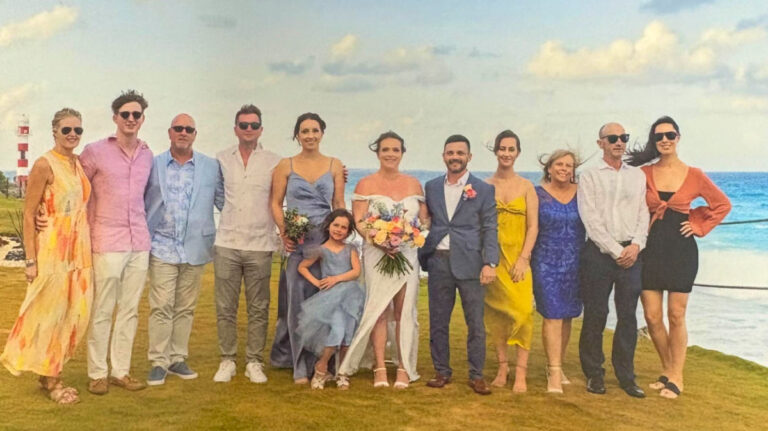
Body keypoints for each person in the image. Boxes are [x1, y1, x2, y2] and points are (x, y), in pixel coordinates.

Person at [627, 116, 731, 399]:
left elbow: (722, 205)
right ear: (654, 140)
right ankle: (668, 370)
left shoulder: (694, 174)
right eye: (659, 136)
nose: (665, 140)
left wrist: (698, 225)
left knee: (676, 315)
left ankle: (676, 377)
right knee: (651, 316)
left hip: (681, 250)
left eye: (670, 135)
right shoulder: (644, 174)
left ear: (678, 137)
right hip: (650, 249)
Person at [1, 108, 92, 404]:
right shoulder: (43, 164)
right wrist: (30, 260)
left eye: (78, 130)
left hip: (79, 251)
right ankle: (53, 381)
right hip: (53, 250)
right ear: (54, 131)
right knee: (51, 314)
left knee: (75, 313)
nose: (72, 135)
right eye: (67, 130)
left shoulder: (77, 163)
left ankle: (47, 372)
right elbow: (29, 214)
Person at [338, 131, 428, 389]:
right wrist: (379, 239)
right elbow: (358, 221)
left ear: (402, 153)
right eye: (385, 149)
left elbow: (424, 220)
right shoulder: (365, 184)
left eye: (395, 149)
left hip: (407, 254)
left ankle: (403, 366)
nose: (390, 154)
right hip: (377, 254)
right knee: (378, 309)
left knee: (404, 311)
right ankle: (379, 366)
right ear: (378, 153)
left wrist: (410, 233)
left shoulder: (414, 185)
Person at [81, 90, 153, 395]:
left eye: (136, 115)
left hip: (139, 241)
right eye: (126, 114)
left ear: (143, 119)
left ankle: (120, 371)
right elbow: (77, 191)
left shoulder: (148, 153)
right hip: (106, 240)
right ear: (115, 118)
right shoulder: (95, 151)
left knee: (130, 310)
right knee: (102, 308)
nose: (131, 119)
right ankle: (97, 372)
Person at [144, 114, 224, 385]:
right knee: (161, 305)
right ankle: (158, 361)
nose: (183, 133)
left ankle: (177, 358)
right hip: (162, 245)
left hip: (195, 246)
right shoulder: (153, 164)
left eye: (188, 129)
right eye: (178, 128)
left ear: (195, 134)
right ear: (169, 132)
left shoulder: (211, 167)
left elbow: (226, 200)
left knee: (185, 308)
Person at [418, 134, 499, 395]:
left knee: (475, 322)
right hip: (439, 262)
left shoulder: (483, 189)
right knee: (438, 321)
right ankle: (441, 371)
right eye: (450, 152)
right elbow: (426, 220)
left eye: (460, 153)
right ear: (443, 156)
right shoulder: (430, 187)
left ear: (469, 157)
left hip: (472, 263)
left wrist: (490, 262)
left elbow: (489, 227)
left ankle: (476, 375)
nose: (455, 157)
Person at [270, 113, 346, 384]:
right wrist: (285, 232)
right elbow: (276, 203)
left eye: (315, 130)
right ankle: (299, 364)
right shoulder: (285, 165)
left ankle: (323, 362)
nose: (310, 135)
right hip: (299, 243)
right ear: (297, 135)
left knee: (325, 304)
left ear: (322, 133)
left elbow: (339, 203)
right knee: (297, 305)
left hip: (326, 242)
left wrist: (343, 240)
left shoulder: (335, 165)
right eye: (305, 131)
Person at [577, 122, 648, 398]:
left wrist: (637, 245)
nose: (619, 142)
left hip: (632, 253)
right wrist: (616, 251)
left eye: (623, 138)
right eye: (613, 138)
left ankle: (626, 376)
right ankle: (594, 374)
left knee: (628, 317)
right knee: (596, 314)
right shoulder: (590, 176)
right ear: (601, 143)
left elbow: (644, 212)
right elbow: (591, 220)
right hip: (599, 254)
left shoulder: (637, 176)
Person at [212, 104, 281, 384]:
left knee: (258, 307)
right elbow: (218, 196)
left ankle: (254, 361)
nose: (248, 129)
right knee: (225, 306)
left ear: (261, 129)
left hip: (261, 243)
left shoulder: (275, 161)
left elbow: (283, 194)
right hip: (227, 241)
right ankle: (227, 359)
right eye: (243, 125)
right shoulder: (221, 158)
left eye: (254, 125)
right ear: (236, 129)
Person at [483, 130, 538, 392]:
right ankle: (503, 367)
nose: (506, 153)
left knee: (524, 313)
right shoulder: (484, 186)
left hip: (519, 260)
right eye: (502, 148)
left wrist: (524, 259)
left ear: (518, 152)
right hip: (493, 260)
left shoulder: (527, 187)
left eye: (511, 149)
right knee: (496, 315)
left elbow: (533, 227)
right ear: (496, 151)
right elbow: (479, 226)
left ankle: (521, 374)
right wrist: (486, 261)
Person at [532, 149, 585, 394]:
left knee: (567, 316)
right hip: (545, 261)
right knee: (552, 315)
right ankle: (553, 372)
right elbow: (529, 228)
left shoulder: (582, 193)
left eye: (569, 165)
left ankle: (557, 364)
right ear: (549, 167)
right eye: (559, 164)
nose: (564, 169)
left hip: (575, 261)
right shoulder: (537, 194)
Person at [296, 209, 365, 390]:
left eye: (344, 228)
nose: (339, 230)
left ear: (349, 232)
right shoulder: (322, 250)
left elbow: (356, 272)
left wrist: (336, 278)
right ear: (329, 226)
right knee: (338, 329)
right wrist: (317, 282)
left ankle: (342, 372)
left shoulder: (350, 249)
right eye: (336, 225)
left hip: (351, 296)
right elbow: (302, 267)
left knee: (348, 334)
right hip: (330, 299)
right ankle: (321, 367)